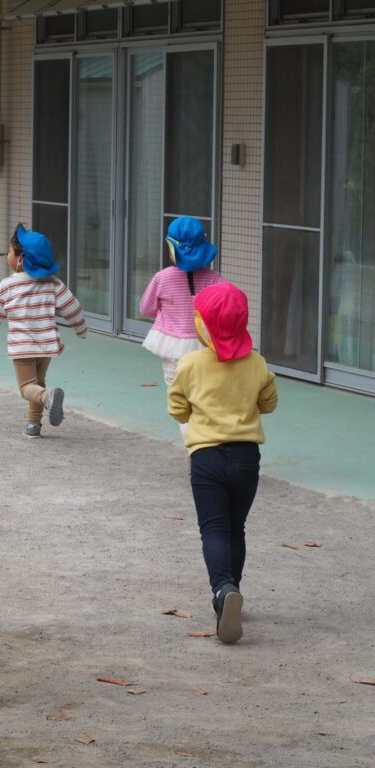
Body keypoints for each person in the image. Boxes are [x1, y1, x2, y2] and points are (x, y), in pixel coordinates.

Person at [168, 281, 278, 644]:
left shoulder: (190, 364)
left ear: (203, 324)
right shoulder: (257, 362)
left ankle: (222, 589)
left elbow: (177, 409)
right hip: (246, 457)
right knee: (235, 528)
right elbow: (269, 403)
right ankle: (235, 592)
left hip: (207, 457)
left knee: (213, 529)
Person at [0, 224, 87, 438]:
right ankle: (33, 425)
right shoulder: (54, 284)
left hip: (22, 347)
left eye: (10, 251)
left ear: (20, 259)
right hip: (46, 346)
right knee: (38, 382)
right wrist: (80, 328)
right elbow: (73, 309)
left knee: (27, 387)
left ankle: (47, 397)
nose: (7, 255)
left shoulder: (7, 286)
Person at [139, 216, 223, 387]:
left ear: (172, 248)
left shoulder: (162, 278)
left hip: (171, 345)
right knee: (202, 389)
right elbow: (222, 314)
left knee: (175, 389)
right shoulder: (215, 280)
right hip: (205, 345)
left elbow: (146, 309)